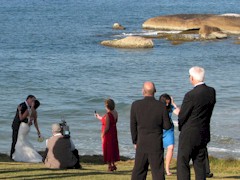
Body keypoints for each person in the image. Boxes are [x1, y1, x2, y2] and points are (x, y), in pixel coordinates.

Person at [177, 66, 216, 180]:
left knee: (183, 162)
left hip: (189, 132)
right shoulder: (211, 91)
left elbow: (183, 115)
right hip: (203, 131)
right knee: (199, 164)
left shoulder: (191, 95)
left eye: (190, 76)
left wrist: (181, 127)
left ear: (192, 78)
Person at [130, 81, 172, 180]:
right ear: (155, 91)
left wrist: (135, 141)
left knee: (139, 171)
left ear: (143, 91)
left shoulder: (135, 105)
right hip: (156, 143)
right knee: (157, 172)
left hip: (142, 142)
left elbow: (133, 125)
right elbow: (167, 126)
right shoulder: (161, 106)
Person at [95, 98, 120, 171]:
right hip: (114, 132)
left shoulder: (108, 115)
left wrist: (102, 134)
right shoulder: (115, 112)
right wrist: (99, 117)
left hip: (108, 134)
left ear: (107, 106)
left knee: (108, 148)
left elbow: (107, 127)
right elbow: (115, 121)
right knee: (113, 147)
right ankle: (113, 164)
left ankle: (110, 165)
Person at [159, 94, 180, 176]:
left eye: (169, 102)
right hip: (159, 130)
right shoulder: (157, 107)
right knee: (159, 149)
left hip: (169, 130)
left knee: (170, 147)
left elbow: (179, 113)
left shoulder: (170, 107)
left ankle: (167, 168)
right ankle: (159, 168)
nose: (167, 104)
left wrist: (174, 103)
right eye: (166, 103)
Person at [10, 95, 36, 159]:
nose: (33, 102)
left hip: (23, 126)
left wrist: (29, 120)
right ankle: (12, 154)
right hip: (17, 125)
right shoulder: (22, 105)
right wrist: (28, 121)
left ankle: (18, 154)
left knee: (21, 140)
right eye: (32, 100)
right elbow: (20, 118)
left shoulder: (28, 107)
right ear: (28, 99)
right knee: (15, 140)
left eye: (34, 101)